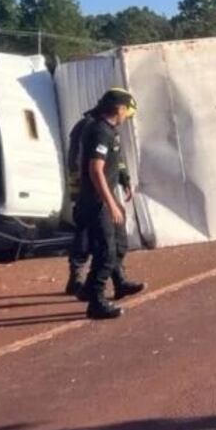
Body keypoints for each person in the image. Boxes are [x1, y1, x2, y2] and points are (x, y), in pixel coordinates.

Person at [76, 88, 145, 320]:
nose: (127, 117)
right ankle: (95, 301)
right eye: (127, 112)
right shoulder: (100, 131)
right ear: (119, 109)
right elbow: (95, 170)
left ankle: (112, 284)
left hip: (105, 197)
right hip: (96, 200)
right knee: (106, 251)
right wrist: (110, 204)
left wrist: (123, 181)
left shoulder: (109, 130)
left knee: (119, 243)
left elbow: (115, 162)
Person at [64, 109, 133, 297]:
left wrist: (124, 178)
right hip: (88, 190)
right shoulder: (91, 128)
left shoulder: (108, 130)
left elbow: (116, 158)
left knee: (113, 234)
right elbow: (79, 161)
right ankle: (78, 278)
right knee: (86, 233)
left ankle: (118, 279)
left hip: (102, 188)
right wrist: (81, 192)